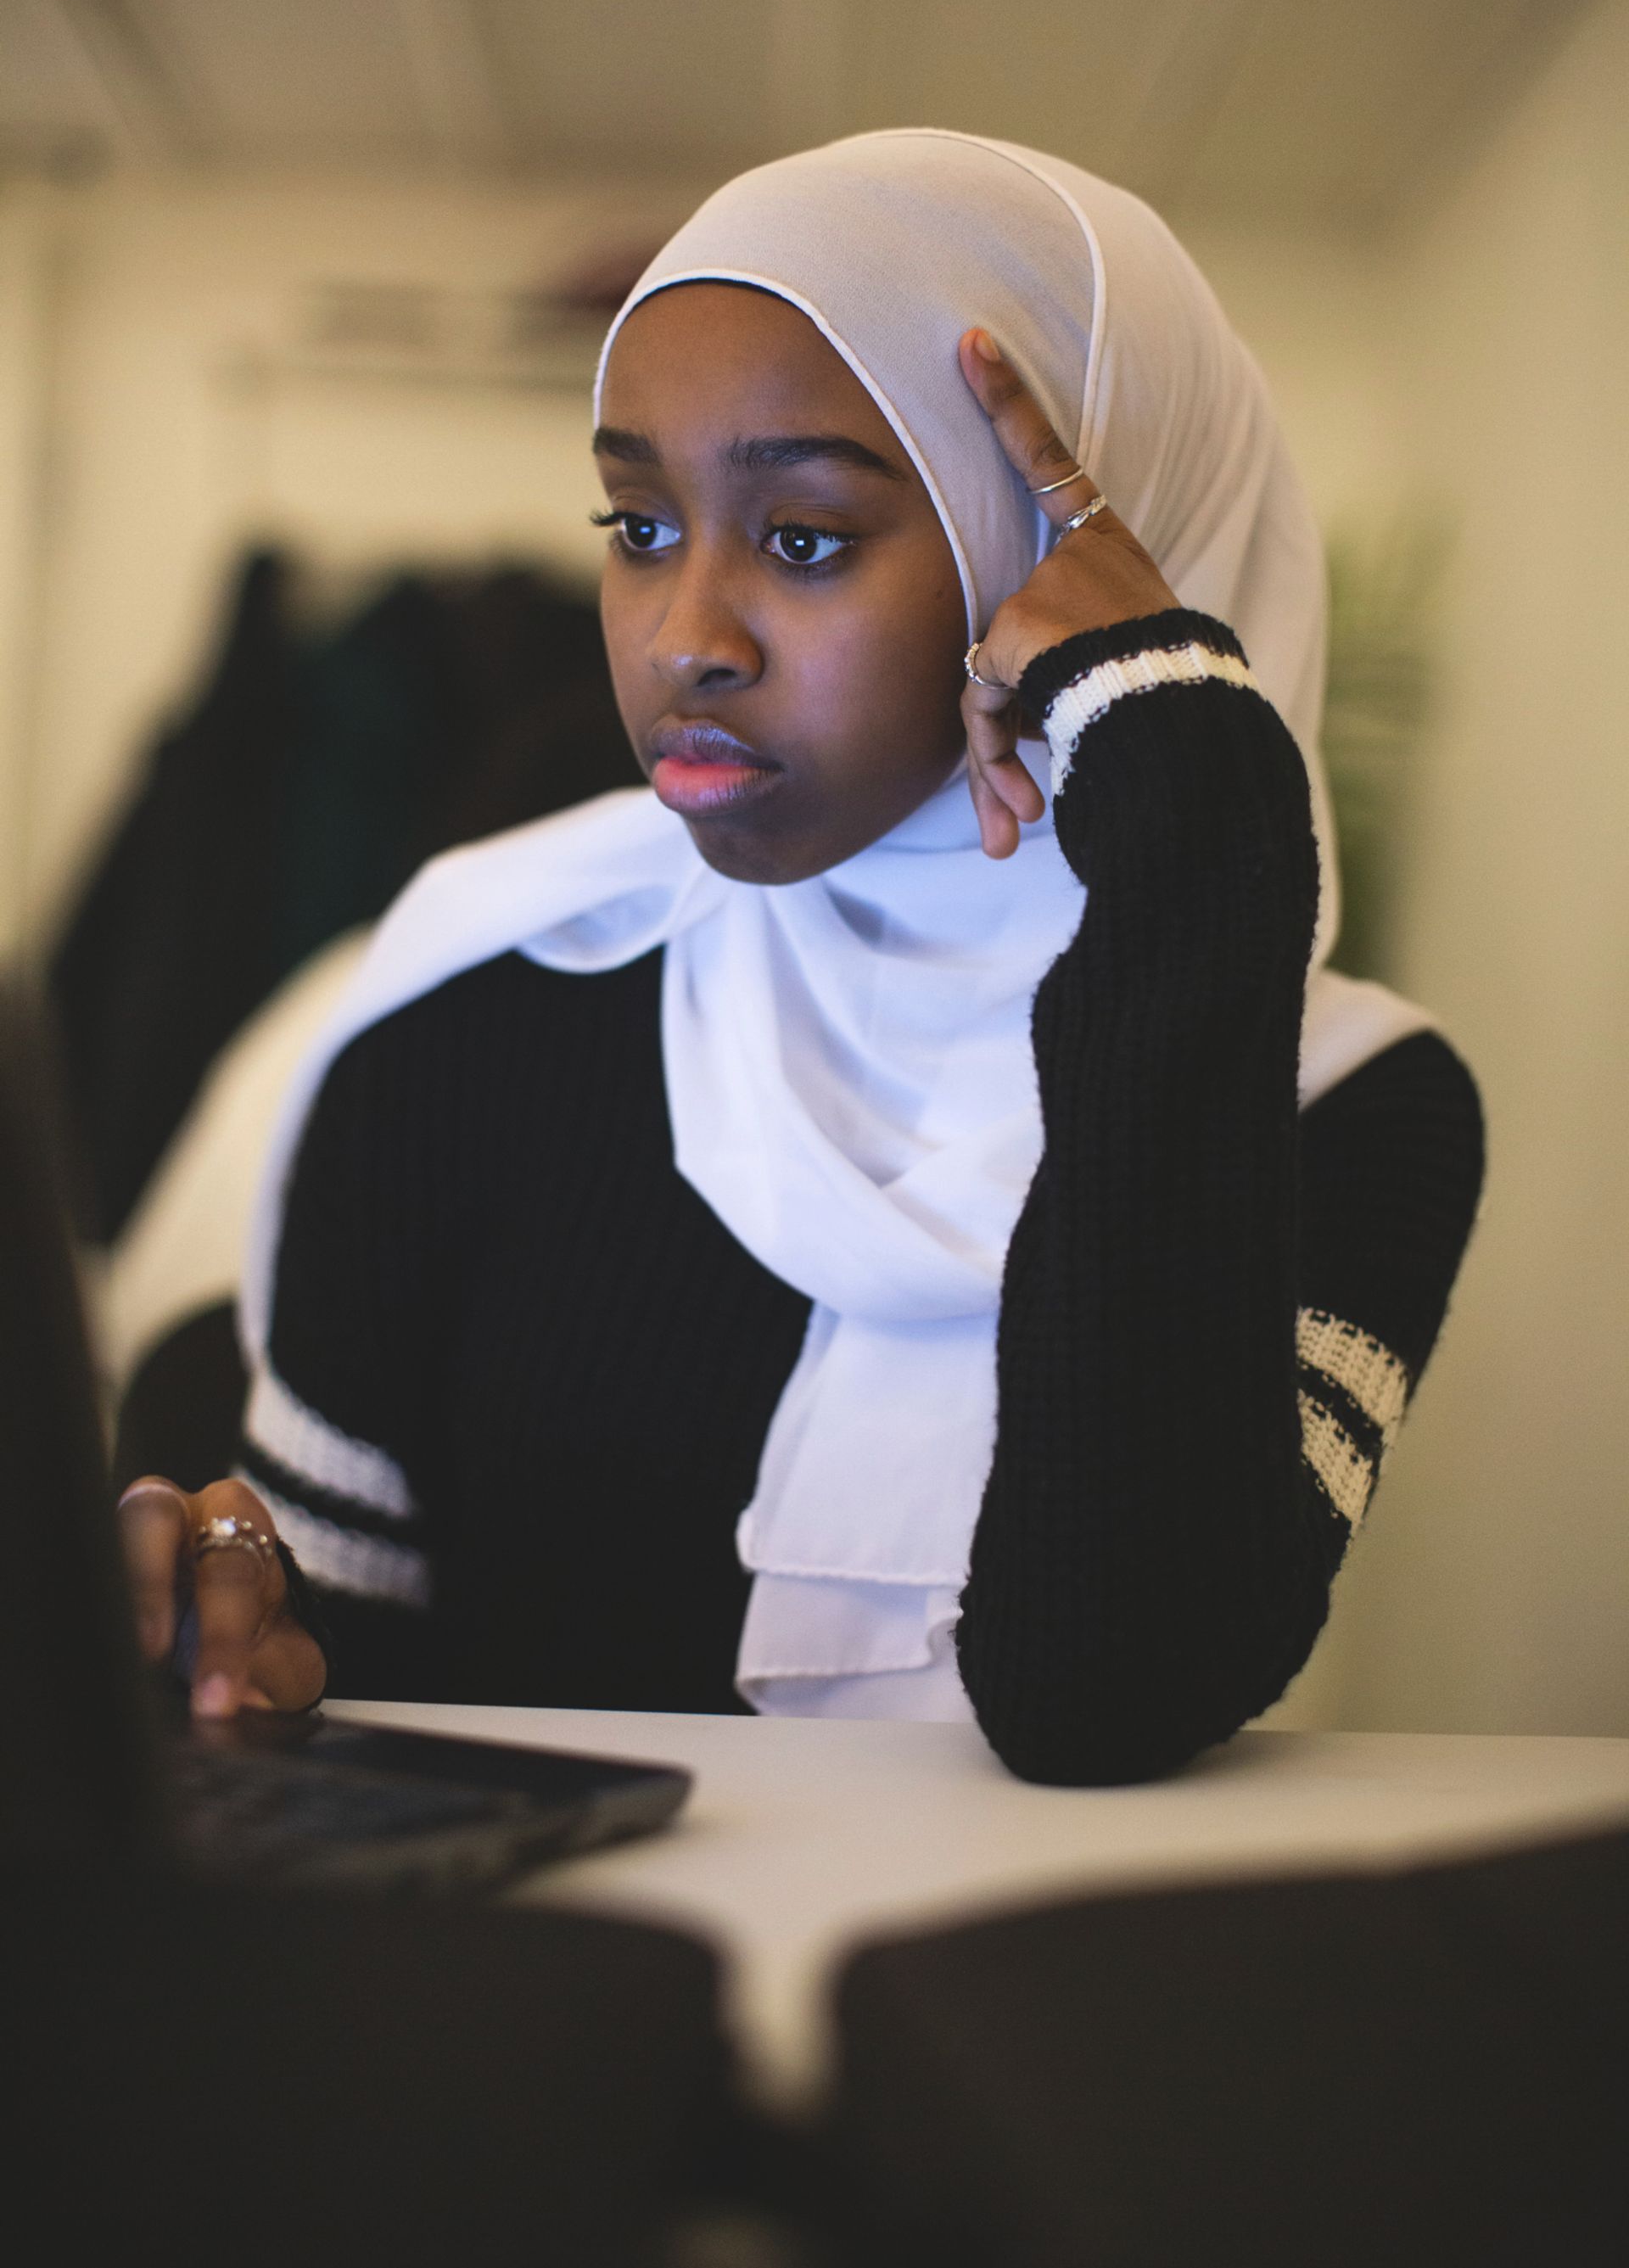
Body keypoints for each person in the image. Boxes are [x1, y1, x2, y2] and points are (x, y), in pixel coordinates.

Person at [115, 132, 1483, 1786]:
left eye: (809, 537)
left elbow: (1107, 1687)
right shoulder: (470, 998)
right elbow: (368, 1651)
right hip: (546, 2004)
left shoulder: (1348, 1103)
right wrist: (248, 1610)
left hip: (1004, 2023)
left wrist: (1187, 812)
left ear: (1067, 572)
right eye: (634, 521)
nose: (687, 635)